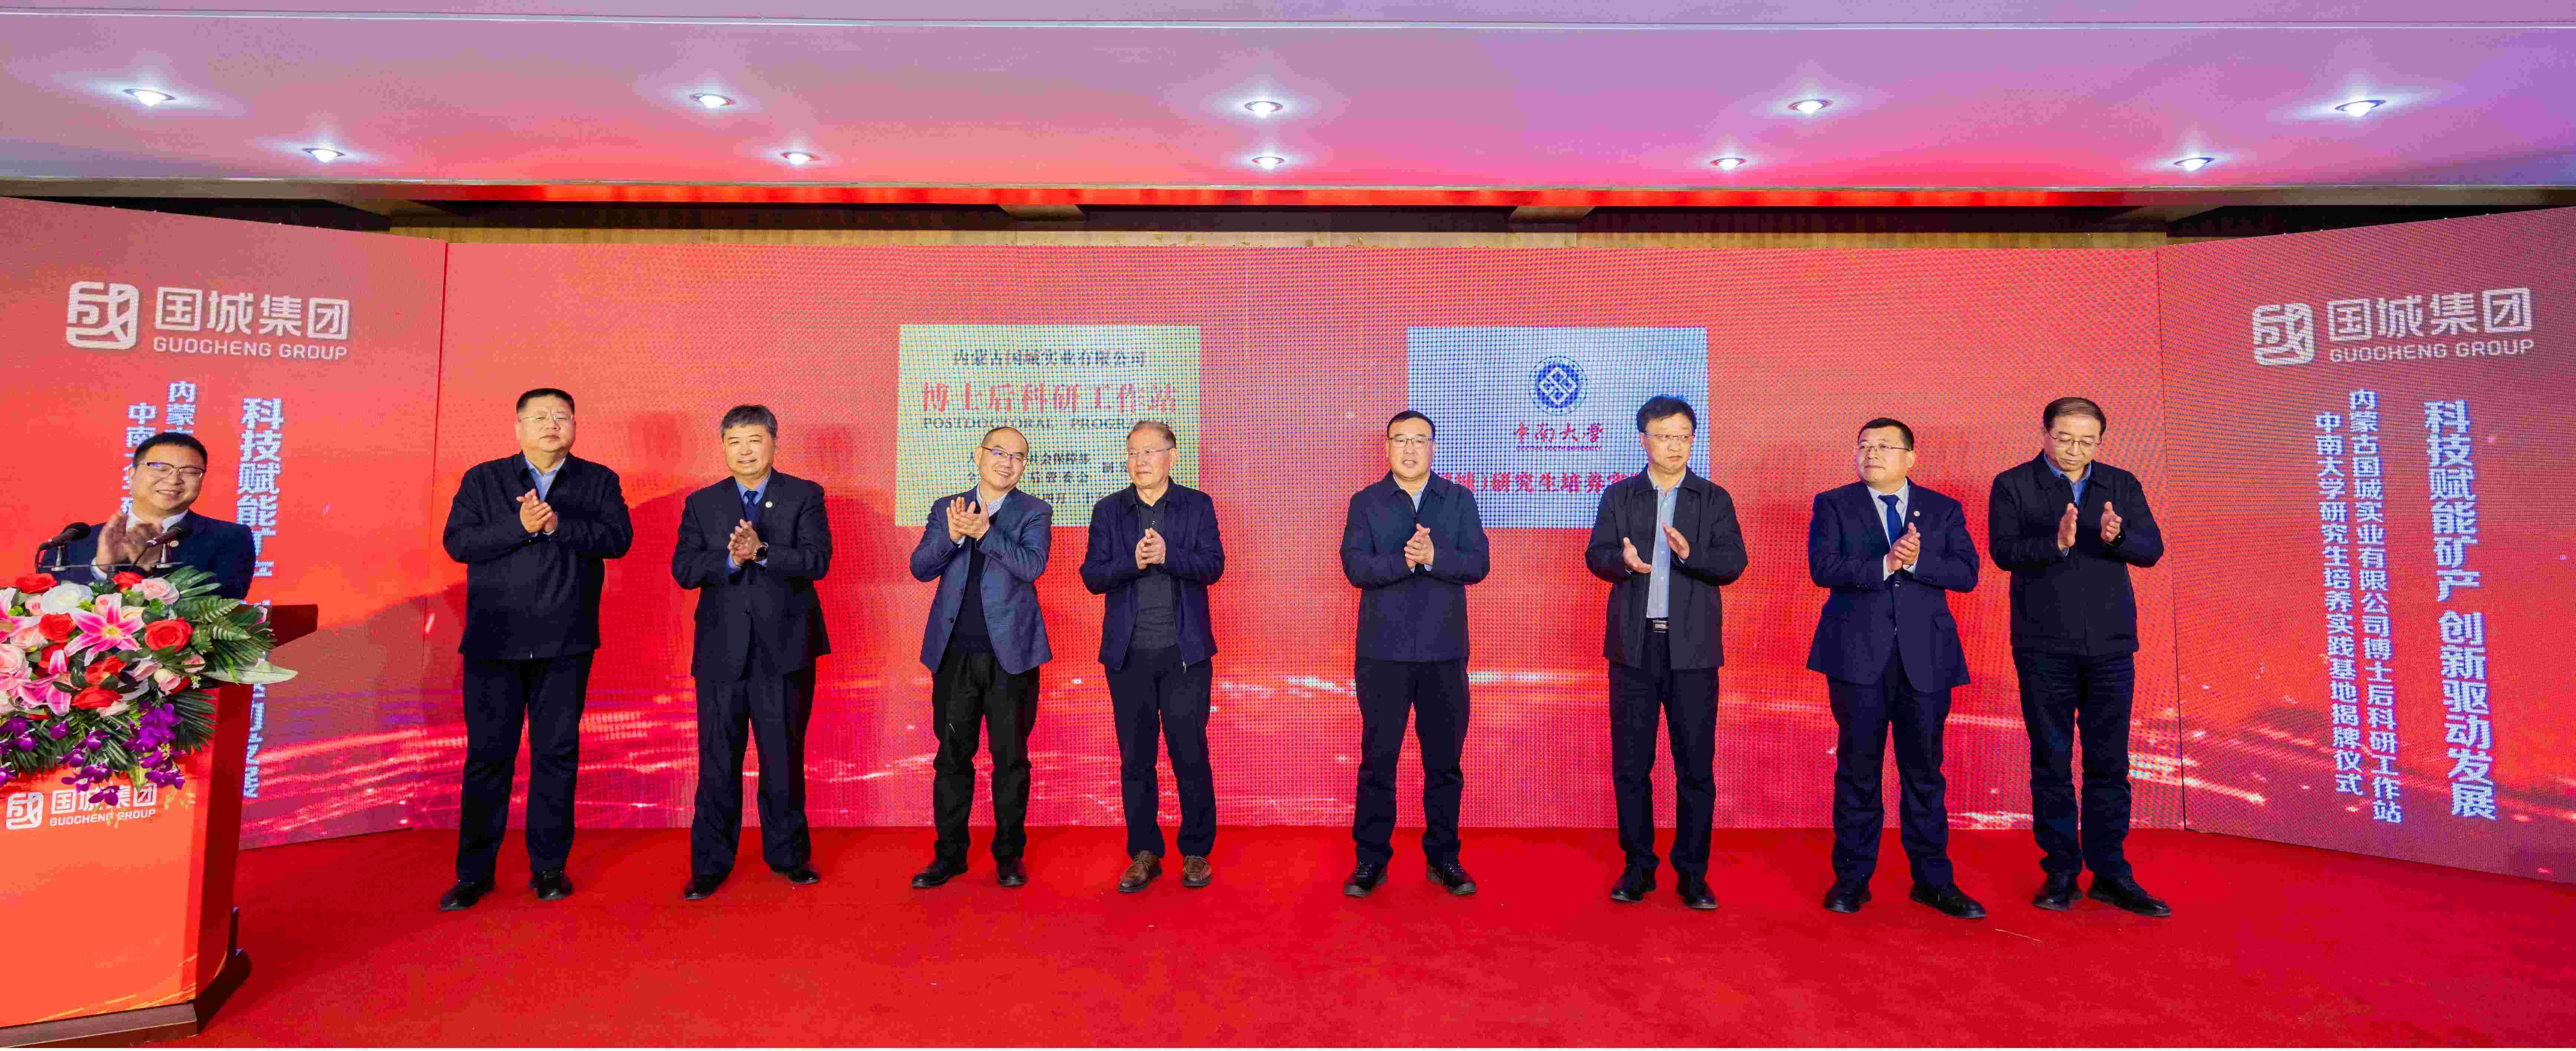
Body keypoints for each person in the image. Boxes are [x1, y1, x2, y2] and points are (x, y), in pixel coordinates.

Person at [436, 388, 632, 911]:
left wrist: (559, 525)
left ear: (575, 425)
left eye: (562, 416)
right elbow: (459, 543)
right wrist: (519, 528)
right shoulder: (484, 479)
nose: (552, 424)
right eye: (540, 416)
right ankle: (474, 874)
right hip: (494, 641)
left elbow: (618, 540)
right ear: (518, 427)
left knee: (556, 756)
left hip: (566, 640)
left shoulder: (598, 480)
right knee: (488, 758)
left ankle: (548, 869)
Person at [1987, 397, 2170, 917]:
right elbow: (2003, 552)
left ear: (2100, 442)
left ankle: (2111, 872)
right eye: (2065, 439)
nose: (2075, 450)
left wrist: (2118, 536)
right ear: (2045, 433)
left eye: (2087, 442)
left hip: (2110, 645)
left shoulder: (2121, 484)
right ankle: (2061, 871)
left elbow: (2151, 550)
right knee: (2051, 761)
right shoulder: (2014, 484)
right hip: (2043, 644)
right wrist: (2058, 542)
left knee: (2109, 763)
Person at [1805, 417, 1985, 919]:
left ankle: (1933, 883)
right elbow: (1824, 568)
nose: (1872, 454)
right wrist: (1886, 564)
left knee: (1924, 774)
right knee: (1858, 771)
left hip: (1926, 658)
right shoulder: (1833, 504)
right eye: (1864, 445)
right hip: (1856, 656)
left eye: (1885, 446)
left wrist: (1917, 561)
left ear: (1910, 458)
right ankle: (1851, 881)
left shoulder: (1943, 509)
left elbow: (1967, 574)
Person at [1582, 396, 1747, 910]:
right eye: (1664, 436)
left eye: (1682, 436)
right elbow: (1596, 555)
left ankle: (1693, 874)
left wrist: (1691, 555)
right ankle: (1638, 867)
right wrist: (1623, 562)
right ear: (1643, 441)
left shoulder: (1713, 498)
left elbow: (1733, 563)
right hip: (1634, 649)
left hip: (1693, 651)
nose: (1674, 446)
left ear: (1692, 441)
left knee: (1695, 766)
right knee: (1632, 765)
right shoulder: (1620, 496)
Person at [674, 405, 833, 901]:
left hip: (784, 650)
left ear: (774, 443)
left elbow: (817, 561)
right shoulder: (703, 503)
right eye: (735, 442)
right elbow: (684, 570)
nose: (744, 451)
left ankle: (789, 857)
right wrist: (729, 558)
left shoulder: (804, 495)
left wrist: (762, 552)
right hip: (720, 653)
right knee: (716, 761)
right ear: (723, 447)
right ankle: (710, 865)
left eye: (754, 440)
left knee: (782, 759)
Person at [1338, 409, 1490, 898]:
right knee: (1377, 762)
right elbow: (1356, 567)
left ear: (1433, 447)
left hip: (1445, 652)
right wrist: (1405, 561)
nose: (1409, 449)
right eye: (1400, 440)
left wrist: (1434, 558)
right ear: (1386, 447)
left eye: (1419, 440)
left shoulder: (1458, 499)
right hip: (1383, 653)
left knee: (1444, 763)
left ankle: (1444, 858)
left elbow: (1479, 563)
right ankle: (1371, 860)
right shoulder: (1367, 502)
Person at [1080, 421, 1226, 893]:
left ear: (1172, 457)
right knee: (1136, 758)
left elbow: (1213, 566)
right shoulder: (1109, 510)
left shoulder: (1197, 505)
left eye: (1150, 451)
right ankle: (1144, 852)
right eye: (1132, 452)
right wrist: (1135, 561)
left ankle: (1196, 850)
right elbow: (1093, 576)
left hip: (1185, 654)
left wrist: (1168, 554)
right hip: (1128, 656)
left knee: (1189, 753)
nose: (1140, 461)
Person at [907, 426, 1052, 890]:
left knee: (1011, 759)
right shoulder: (946, 508)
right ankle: (949, 856)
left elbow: (1031, 566)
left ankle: (1009, 856)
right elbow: (920, 567)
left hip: (1012, 656)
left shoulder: (1035, 511)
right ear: (978, 455)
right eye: (999, 452)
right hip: (954, 655)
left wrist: (986, 532)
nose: (1007, 462)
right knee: (952, 758)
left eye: (1018, 457)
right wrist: (951, 536)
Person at [52, 432, 255, 600]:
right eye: (160, 468)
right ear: (132, 475)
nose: (173, 480)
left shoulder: (229, 538)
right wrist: (102, 568)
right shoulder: (76, 539)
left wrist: (153, 568)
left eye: (190, 471)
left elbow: (225, 602)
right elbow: (49, 602)